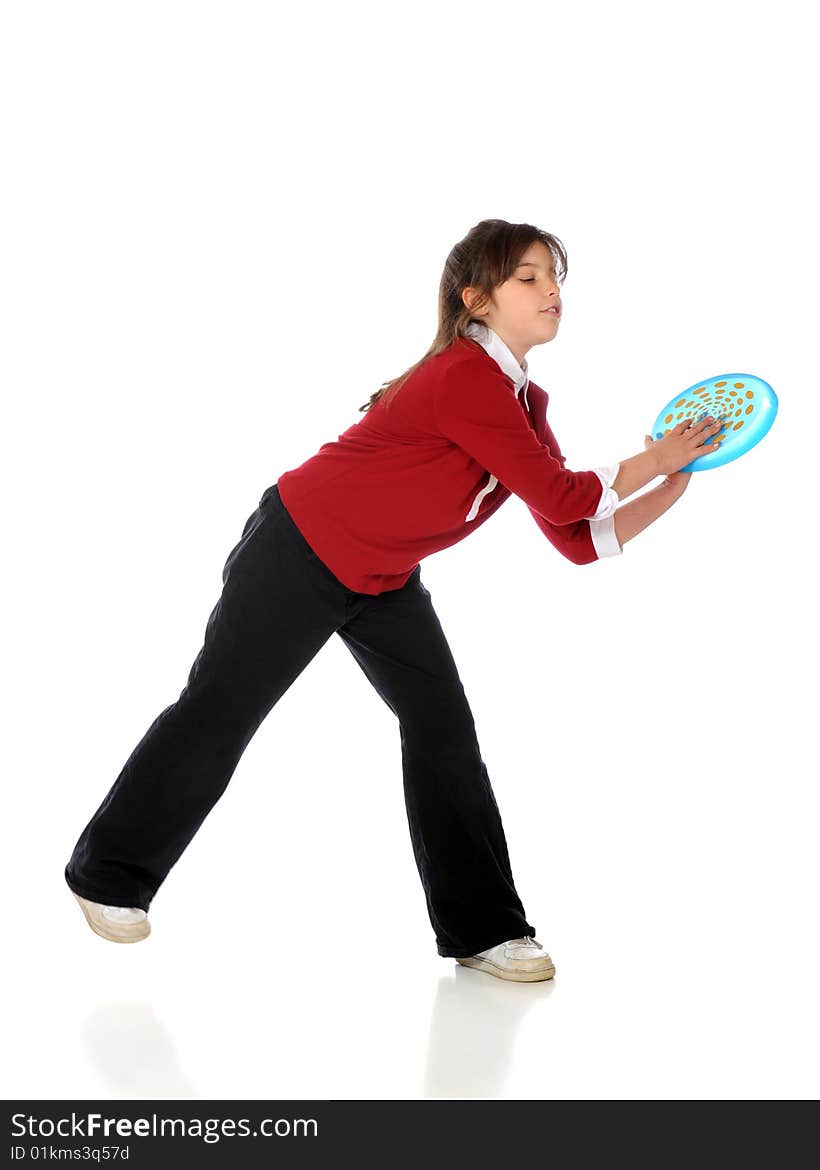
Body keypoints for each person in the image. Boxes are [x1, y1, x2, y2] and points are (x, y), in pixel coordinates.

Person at [64, 218, 723, 982]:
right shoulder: (463, 377)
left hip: (382, 577)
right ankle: (105, 875)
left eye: (555, 278)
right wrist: (656, 454)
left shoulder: (525, 403)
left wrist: (674, 482)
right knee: (221, 710)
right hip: (301, 547)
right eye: (529, 278)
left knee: (443, 730)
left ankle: (485, 931)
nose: (551, 292)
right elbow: (564, 491)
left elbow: (577, 533)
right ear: (476, 299)